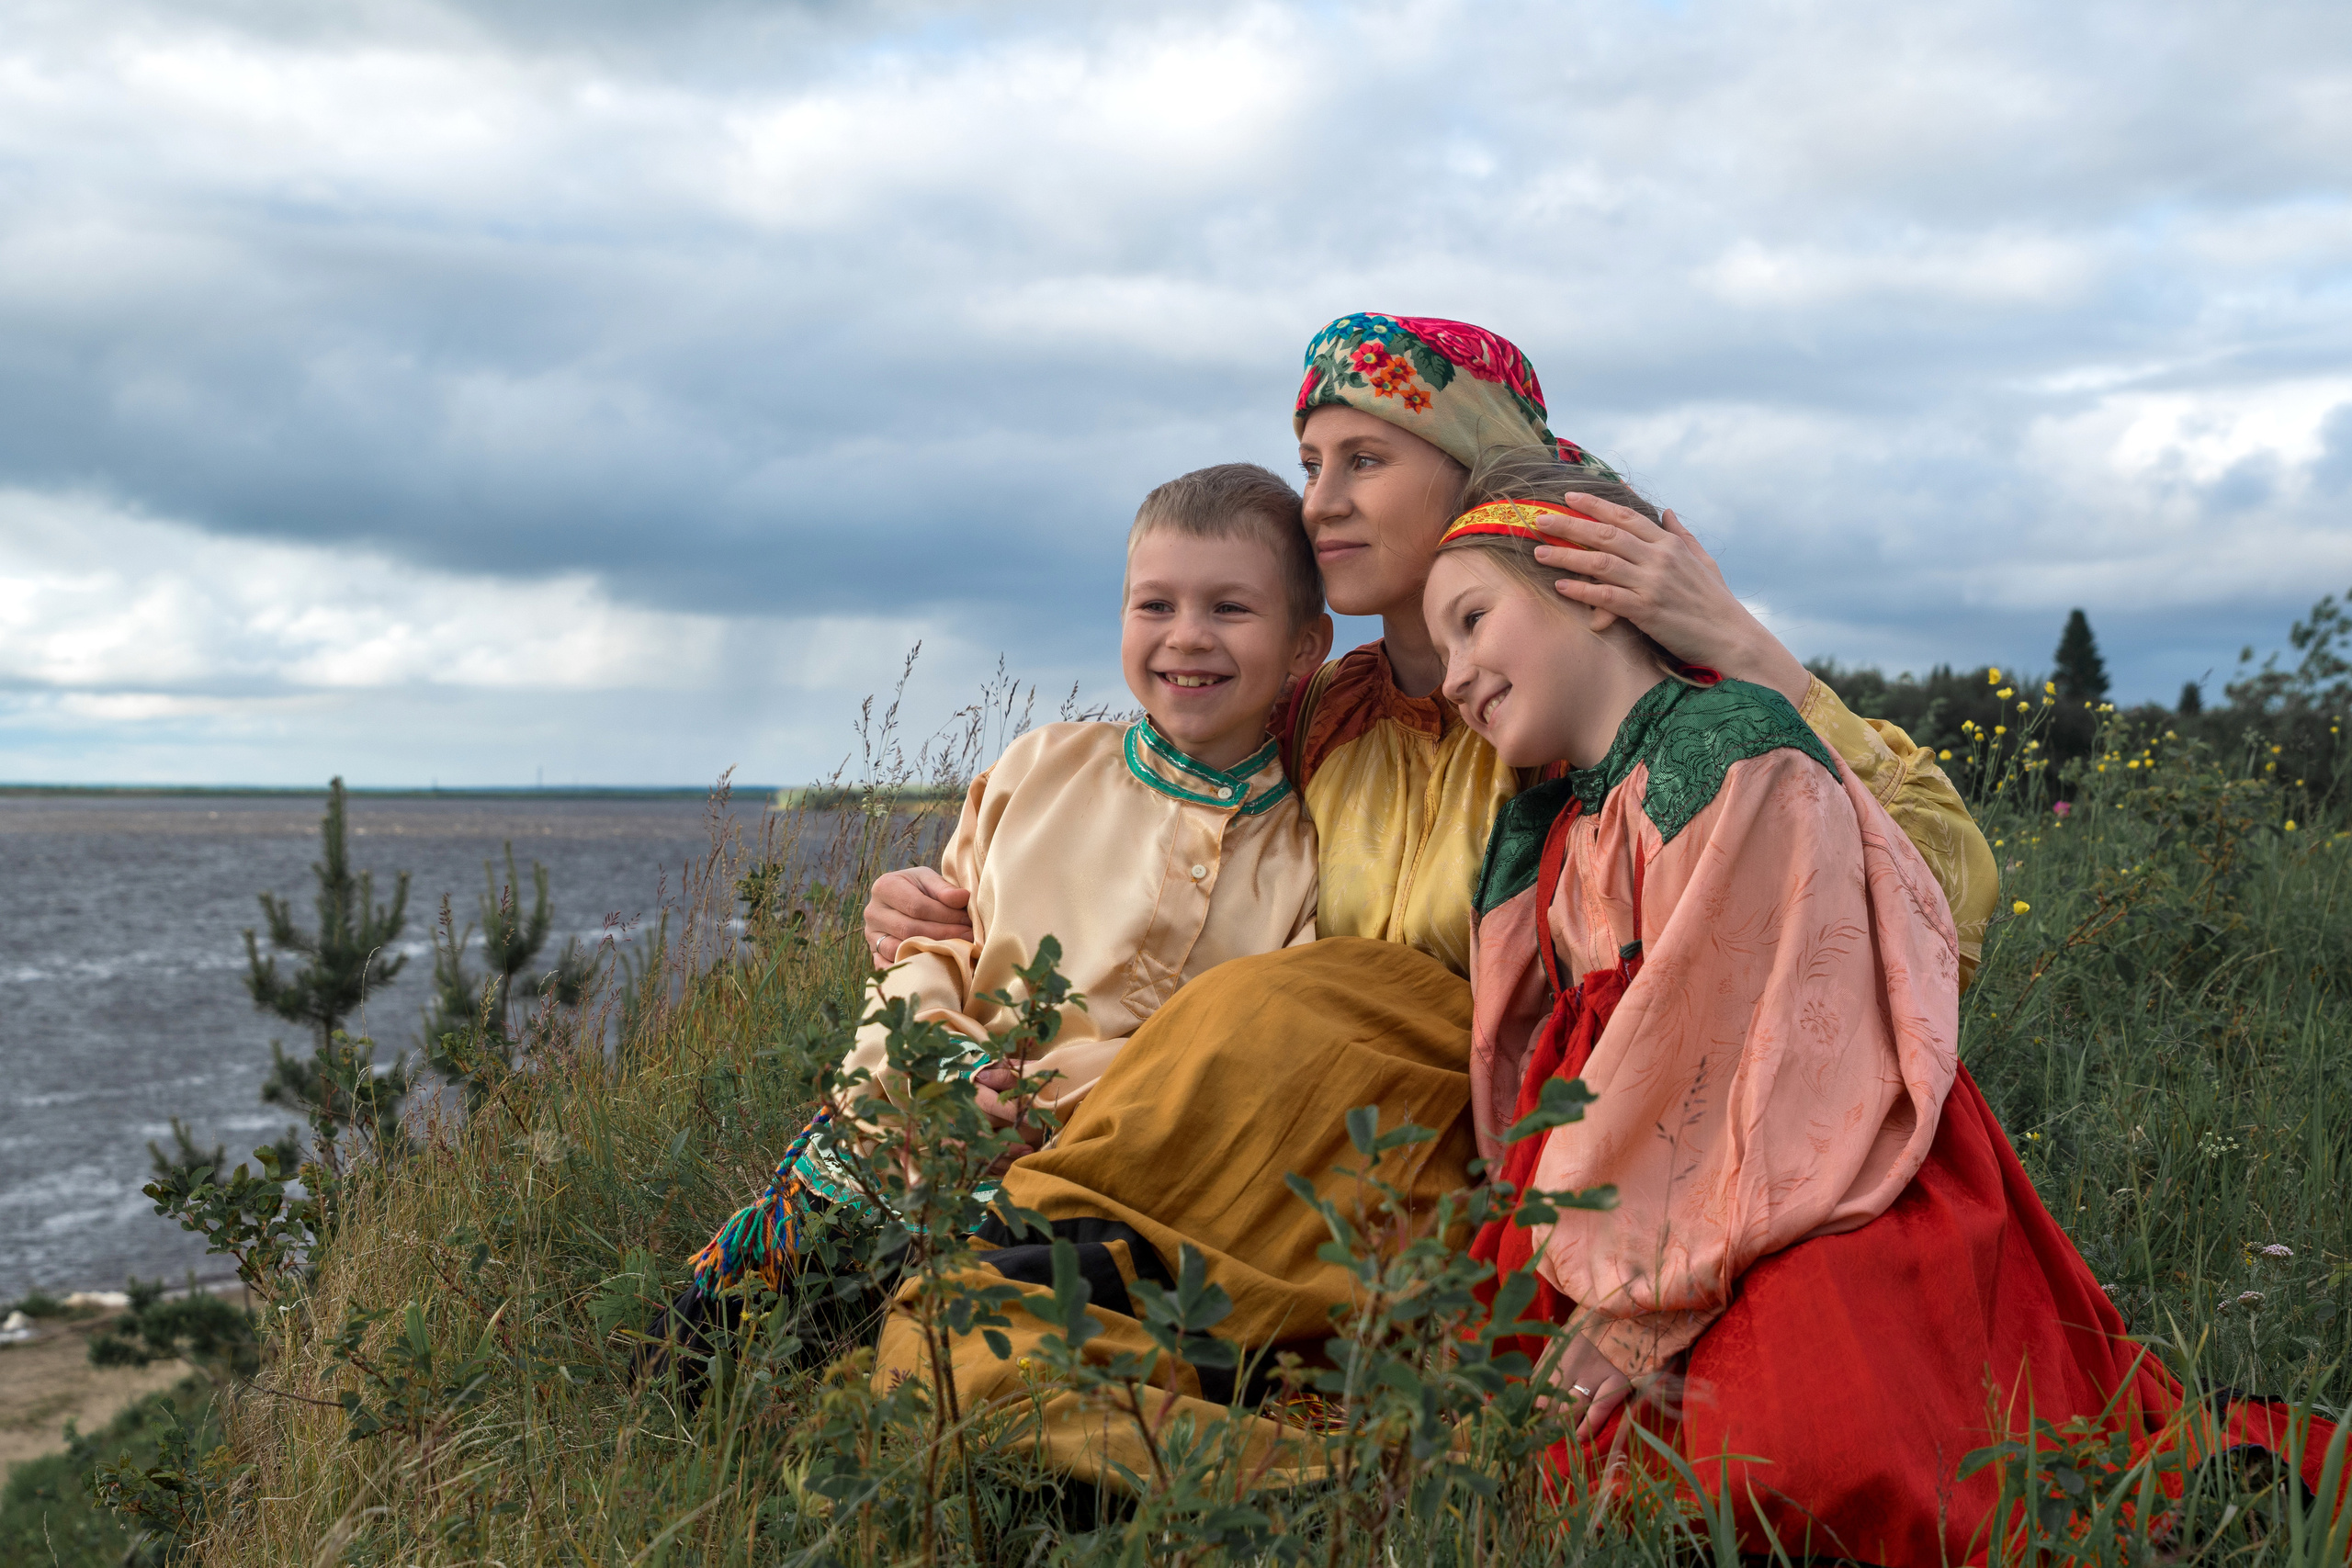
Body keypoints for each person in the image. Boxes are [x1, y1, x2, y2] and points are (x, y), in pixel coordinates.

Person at [857, 314, 2000, 1482]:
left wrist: (1738, 640)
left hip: (1503, 1159)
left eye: (1365, 460)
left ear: (1475, 473)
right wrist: (946, 902)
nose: (1318, 504)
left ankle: (1306, 1468)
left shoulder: (1588, 702)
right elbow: (1156, 846)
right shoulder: (1322, 710)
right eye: (1310, 466)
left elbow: (1934, 887)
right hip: (1287, 1145)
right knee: (959, 1352)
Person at [1437, 447, 2342, 1561]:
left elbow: (1768, 1049)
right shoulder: (1560, 823)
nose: (1452, 672)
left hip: (1815, 1166)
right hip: (1628, 1191)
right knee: (1501, 1436)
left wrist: (1643, 1305)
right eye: (1440, 644)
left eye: (1472, 620)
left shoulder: (1731, 757)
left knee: (1805, 1448)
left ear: (1588, 585)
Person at [683, 462, 1329, 1301]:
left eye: (1230, 608)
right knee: (709, 1358)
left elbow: (1229, 1054)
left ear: (1304, 646)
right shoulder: (1043, 766)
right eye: (1155, 604)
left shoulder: (1303, 852)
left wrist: (1041, 1097)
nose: (1188, 635)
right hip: (907, 1133)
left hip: (1090, 1187)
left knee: (944, 1391)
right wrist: (947, 1072)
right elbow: (932, 943)